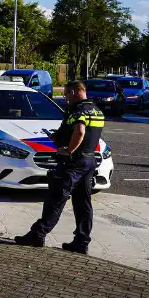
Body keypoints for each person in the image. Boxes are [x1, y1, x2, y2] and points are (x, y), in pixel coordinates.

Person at [15, 81, 106, 254]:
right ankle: (81, 241)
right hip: (89, 161)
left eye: (66, 94)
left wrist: (68, 150)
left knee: (56, 199)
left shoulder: (78, 111)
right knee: (83, 203)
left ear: (74, 92)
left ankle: (38, 234)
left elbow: (80, 131)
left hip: (74, 162)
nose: (66, 97)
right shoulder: (97, 111)